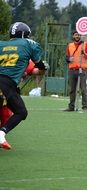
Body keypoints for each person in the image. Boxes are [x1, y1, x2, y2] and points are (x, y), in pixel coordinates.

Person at [0, 22, 48, 150]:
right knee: (21, 112)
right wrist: (44, 67)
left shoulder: (2, 45)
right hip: (6, 85)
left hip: (6, 85)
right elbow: (39, 67)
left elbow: (33, 70)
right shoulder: (28, 45)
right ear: (24, 35)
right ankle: (1, 134)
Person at [0, 60, 46, 128]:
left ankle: (1, 134)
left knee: (7, 116)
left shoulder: (25, 59)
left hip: (9, 91)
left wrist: (43, 67)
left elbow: (35, 71)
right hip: (4, 87)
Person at [64, 30, 87, 112]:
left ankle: (85, 107)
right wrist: (69, 59)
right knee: (72, 89)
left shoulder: (85, 44)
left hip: (82, 69)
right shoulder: (70, 45)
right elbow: (66, 57)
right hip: (72, 69)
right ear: (73, 36)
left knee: (83, 89)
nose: (77, 36)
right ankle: (71, 106)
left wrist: (84, 53)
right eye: (76, 35)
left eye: (79, 35)